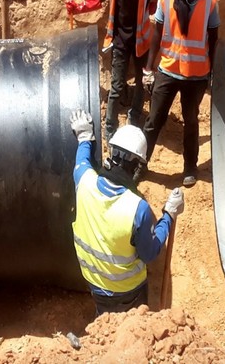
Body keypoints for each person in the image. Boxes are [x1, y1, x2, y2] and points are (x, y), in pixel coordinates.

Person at [69, 109, 184, 315]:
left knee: (104, 323)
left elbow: (82, 160)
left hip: (94, 283)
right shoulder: (137, 208)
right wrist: (168, 215)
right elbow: (149, 253)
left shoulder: (84, 181)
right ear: (137, 165)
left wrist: (85, 136)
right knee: (133, 328)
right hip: (128, 292)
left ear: (111, 151)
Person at [66, 0, 164, 141]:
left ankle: (134, 120)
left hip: (141, 41)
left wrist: (157, 5)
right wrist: (80, 7)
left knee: (141, 83)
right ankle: (110, 126)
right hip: (119, 39)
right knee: (117, 85)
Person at [137, 0, 220, 187]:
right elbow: (157, 33)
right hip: (168, 70)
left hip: (196, 75)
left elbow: (213, 38)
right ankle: (140, 164)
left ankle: (190, 167)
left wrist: (212, 72)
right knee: (154, 119)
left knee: (191, 121)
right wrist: (148, 68)